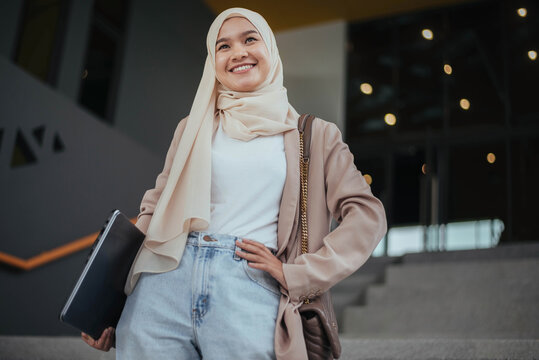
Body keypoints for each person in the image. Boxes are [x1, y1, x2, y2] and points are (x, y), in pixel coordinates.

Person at [81, 7, 387, 360]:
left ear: (270, 48)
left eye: (250, 39)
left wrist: (298, 274)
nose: (238, 52)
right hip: (163, 280)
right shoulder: (192, 126)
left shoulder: (314, 135)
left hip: (248, 283)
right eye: (223, 46)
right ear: (214, 60)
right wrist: (113, 302)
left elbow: (368, 215)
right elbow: (155, 207)